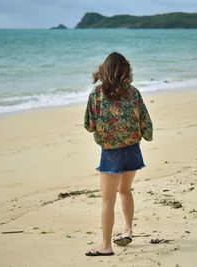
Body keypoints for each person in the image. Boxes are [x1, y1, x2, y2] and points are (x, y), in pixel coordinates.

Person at [84, 52, 153, 256]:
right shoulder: (133, 92)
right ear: (126, 70)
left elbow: (89, 125)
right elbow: (146, 123)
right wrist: (146, 135)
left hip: (111, 152)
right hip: (133, 150)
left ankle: (106, 246)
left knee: (107, 201)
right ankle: (128, 230)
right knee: (125, 191)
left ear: (104, 70)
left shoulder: (96, 94)